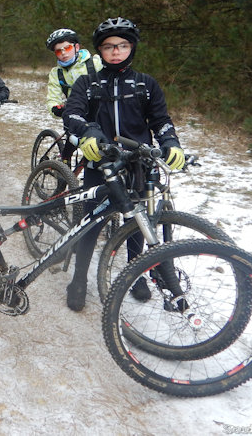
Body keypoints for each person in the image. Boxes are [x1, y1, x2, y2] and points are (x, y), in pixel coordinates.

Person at [62, 17, 185, 311]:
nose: (116, 51)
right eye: (108, 46)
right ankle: (79, 278)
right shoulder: (87, 83)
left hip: (139, 165)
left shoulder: (146, 84)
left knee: (137, 224)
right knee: (89, 225)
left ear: (132, 48)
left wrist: (171, 142)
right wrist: (89, 131)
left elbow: (160, 120)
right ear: (100, 51)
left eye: (122, 45)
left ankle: (137, 275)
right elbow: (72, 115)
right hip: (101, 165)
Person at [45, 28, 103, 162]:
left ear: (76, 47)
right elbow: (53, 97)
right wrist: (55, 108)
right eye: (59, 51)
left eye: (67, 47)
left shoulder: (95, 63)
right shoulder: (56, 73)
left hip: (99, 111)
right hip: (74, 112)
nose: (63, 53)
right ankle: (63, 172)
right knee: (70, 148)